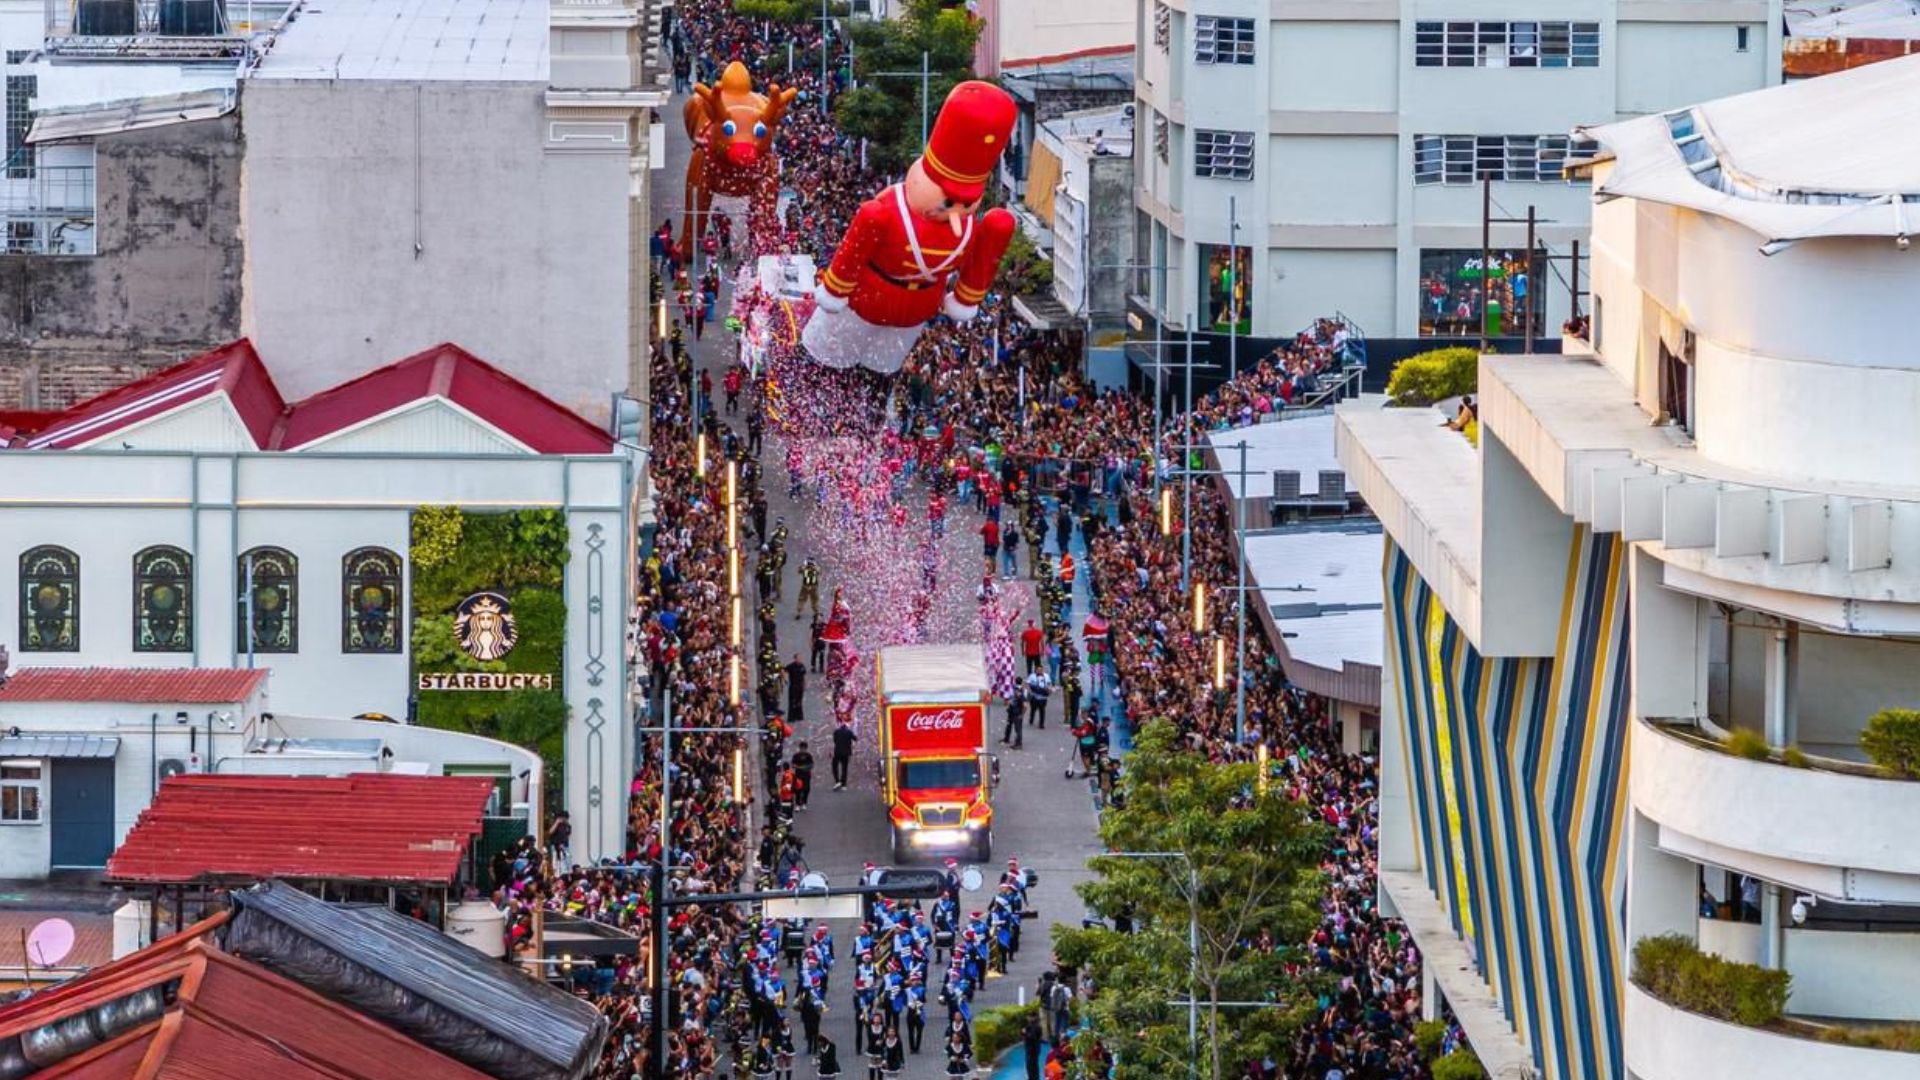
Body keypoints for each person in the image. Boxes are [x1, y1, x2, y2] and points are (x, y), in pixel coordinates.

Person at [831, 721, 856, 790]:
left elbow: (835, 740)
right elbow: (855, 739)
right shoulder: (849, 732)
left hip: (837, 752)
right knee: (844, 768)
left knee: (834, 766)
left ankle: (837, 781)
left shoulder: (836, 732)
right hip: (846, 753)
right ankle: (843, 784)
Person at [791, 741, 816, 809]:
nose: (803, 750)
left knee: (806, 789)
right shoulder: (796, 756)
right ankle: (797, 803)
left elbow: (811, 765)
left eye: (804, 748)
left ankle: (804, 802)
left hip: (806, 775)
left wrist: (803, 767)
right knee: (797, 789)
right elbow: (793, 764)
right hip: (798, 775)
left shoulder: (808, 756)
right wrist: (796, 766)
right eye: (802, 748)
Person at [786, 654, 809, 722]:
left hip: (800, 686)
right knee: (792, 702)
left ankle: (799, 716)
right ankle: (791, 717)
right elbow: (784, 670)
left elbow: (804, 675)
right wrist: (785, 679)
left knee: (799, 701)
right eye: (798, 658)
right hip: (793, 686)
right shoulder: (791, 666)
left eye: (800, 658)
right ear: (795, 659)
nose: (799, 660)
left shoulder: (802, 666)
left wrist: (805, 684)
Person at [1022, 1016, 1043, 1080]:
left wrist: (1025, 1033)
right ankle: (1035, 1078)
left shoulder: (1033, 1027)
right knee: (1034, 1065)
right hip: (1035, 1049)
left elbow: (1032, 1037)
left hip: (1031, 1049)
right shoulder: (1038, 1027)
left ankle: (1032, 1078)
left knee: (1030, 1066)